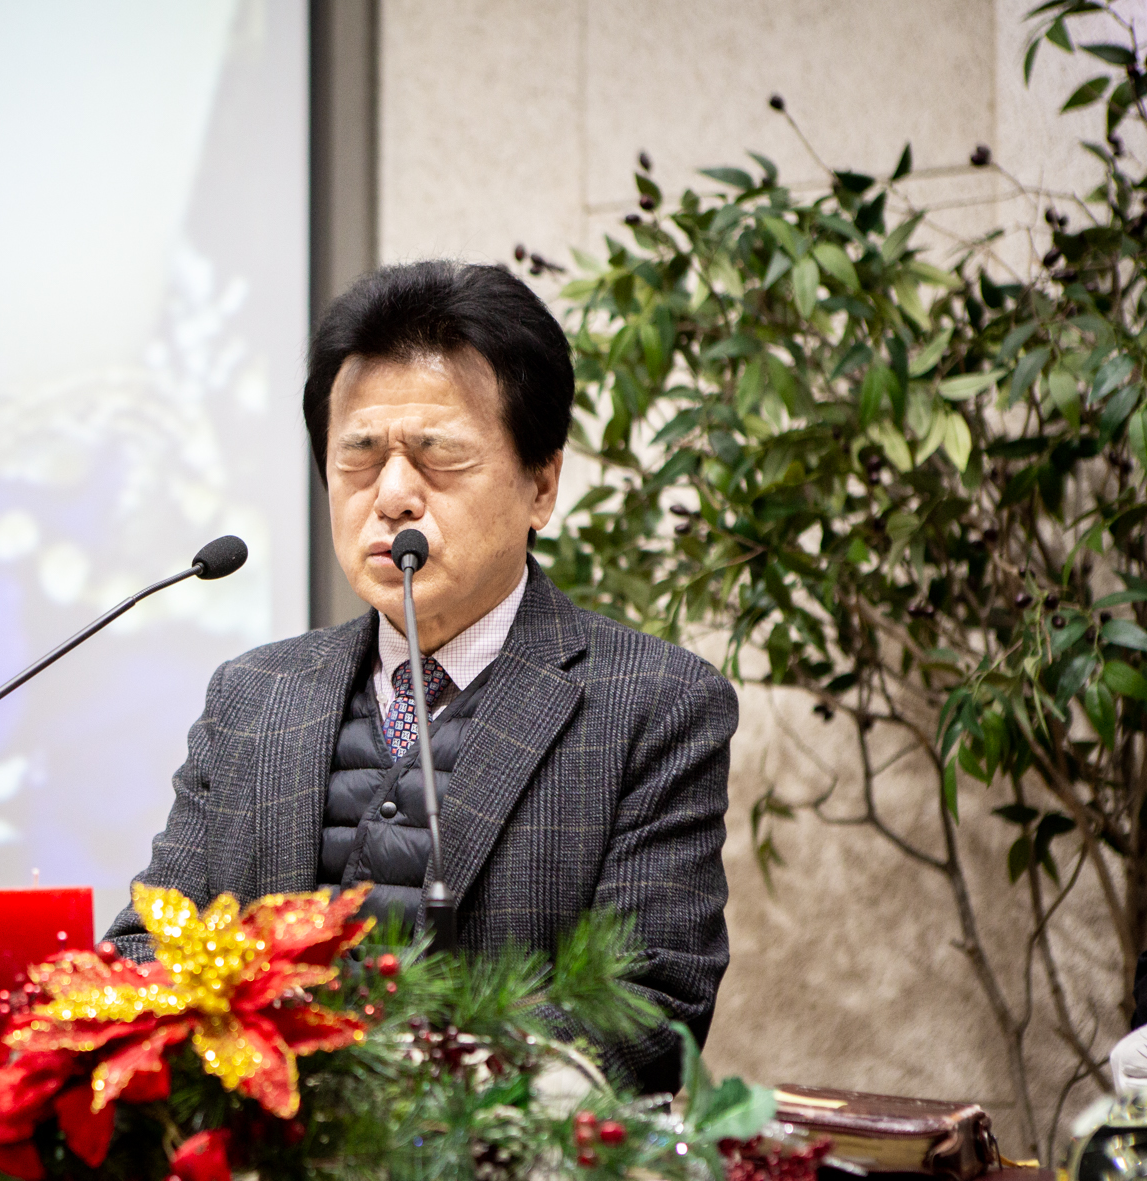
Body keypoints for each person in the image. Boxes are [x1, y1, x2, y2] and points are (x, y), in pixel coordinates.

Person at [104, 261, 736, 1093]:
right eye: (359, 457)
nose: (394, 494)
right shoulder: (254, 697)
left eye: (439, 457)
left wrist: (394, 1084)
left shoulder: (651, 704)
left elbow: (648, 1009)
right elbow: (147, 947)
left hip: (500, 1164)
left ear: (541, 485)